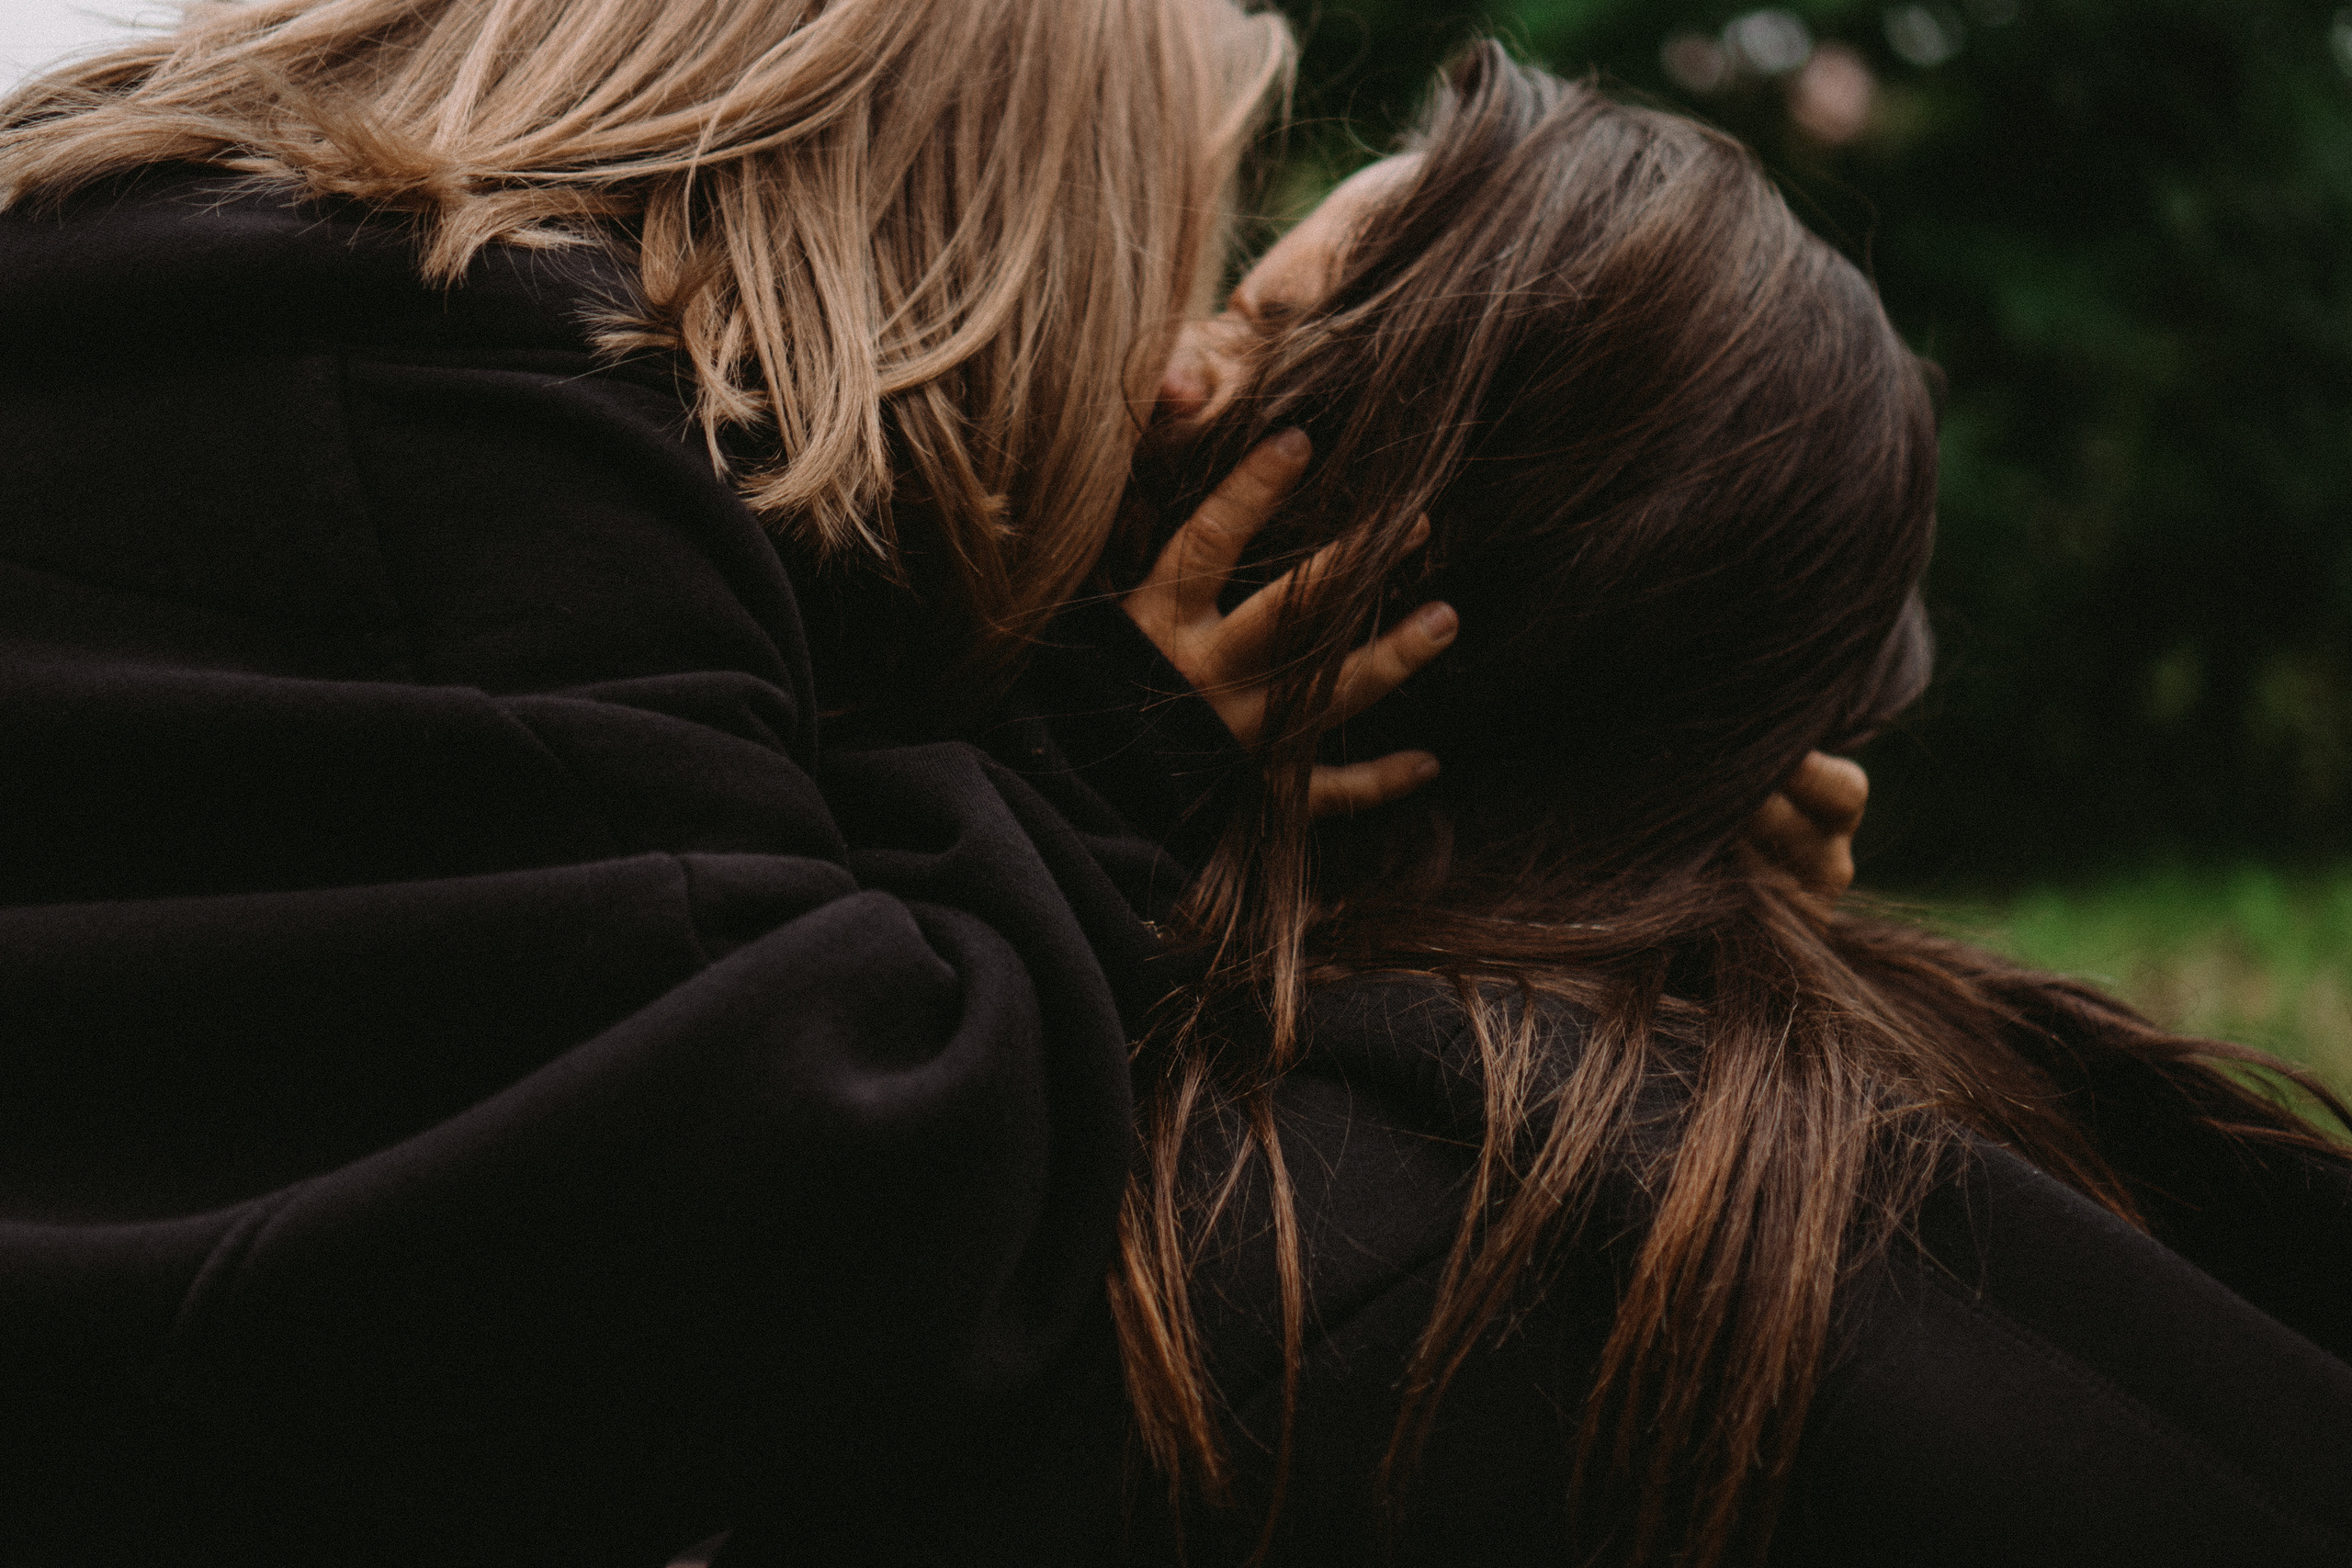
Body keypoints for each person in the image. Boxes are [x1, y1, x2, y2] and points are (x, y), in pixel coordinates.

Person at [0, 6, 1874, 1563]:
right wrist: (1127, 745)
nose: (1166, 372)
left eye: (1254, 313)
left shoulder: (282, 318)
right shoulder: (482, 410)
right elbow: (811, 1166)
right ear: (982, 184)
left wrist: (1647, 834)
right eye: (1182, 268)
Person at [844, 47, 2352, 1567]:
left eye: (1257, 333)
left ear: (1410, 574)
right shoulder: (1914, 1107)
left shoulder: (1241, 1268)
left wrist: (1075, 773)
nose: (1167, 365)